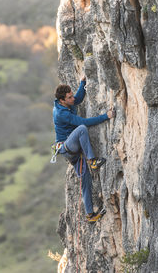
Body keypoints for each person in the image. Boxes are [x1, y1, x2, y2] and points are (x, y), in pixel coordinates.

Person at [52, 76, 116, 222]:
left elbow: (78, 99)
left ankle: (90, 215)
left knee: (85, 180)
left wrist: (82, 83)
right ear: (62, 100)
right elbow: (84, 123)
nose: (72, 98)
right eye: (69, 97)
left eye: (71, 94)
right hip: (68, 147)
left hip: (72, 151)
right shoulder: (62, 113)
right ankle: (92, 160)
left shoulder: (66, 104)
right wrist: (106, 116)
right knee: (81, 129)